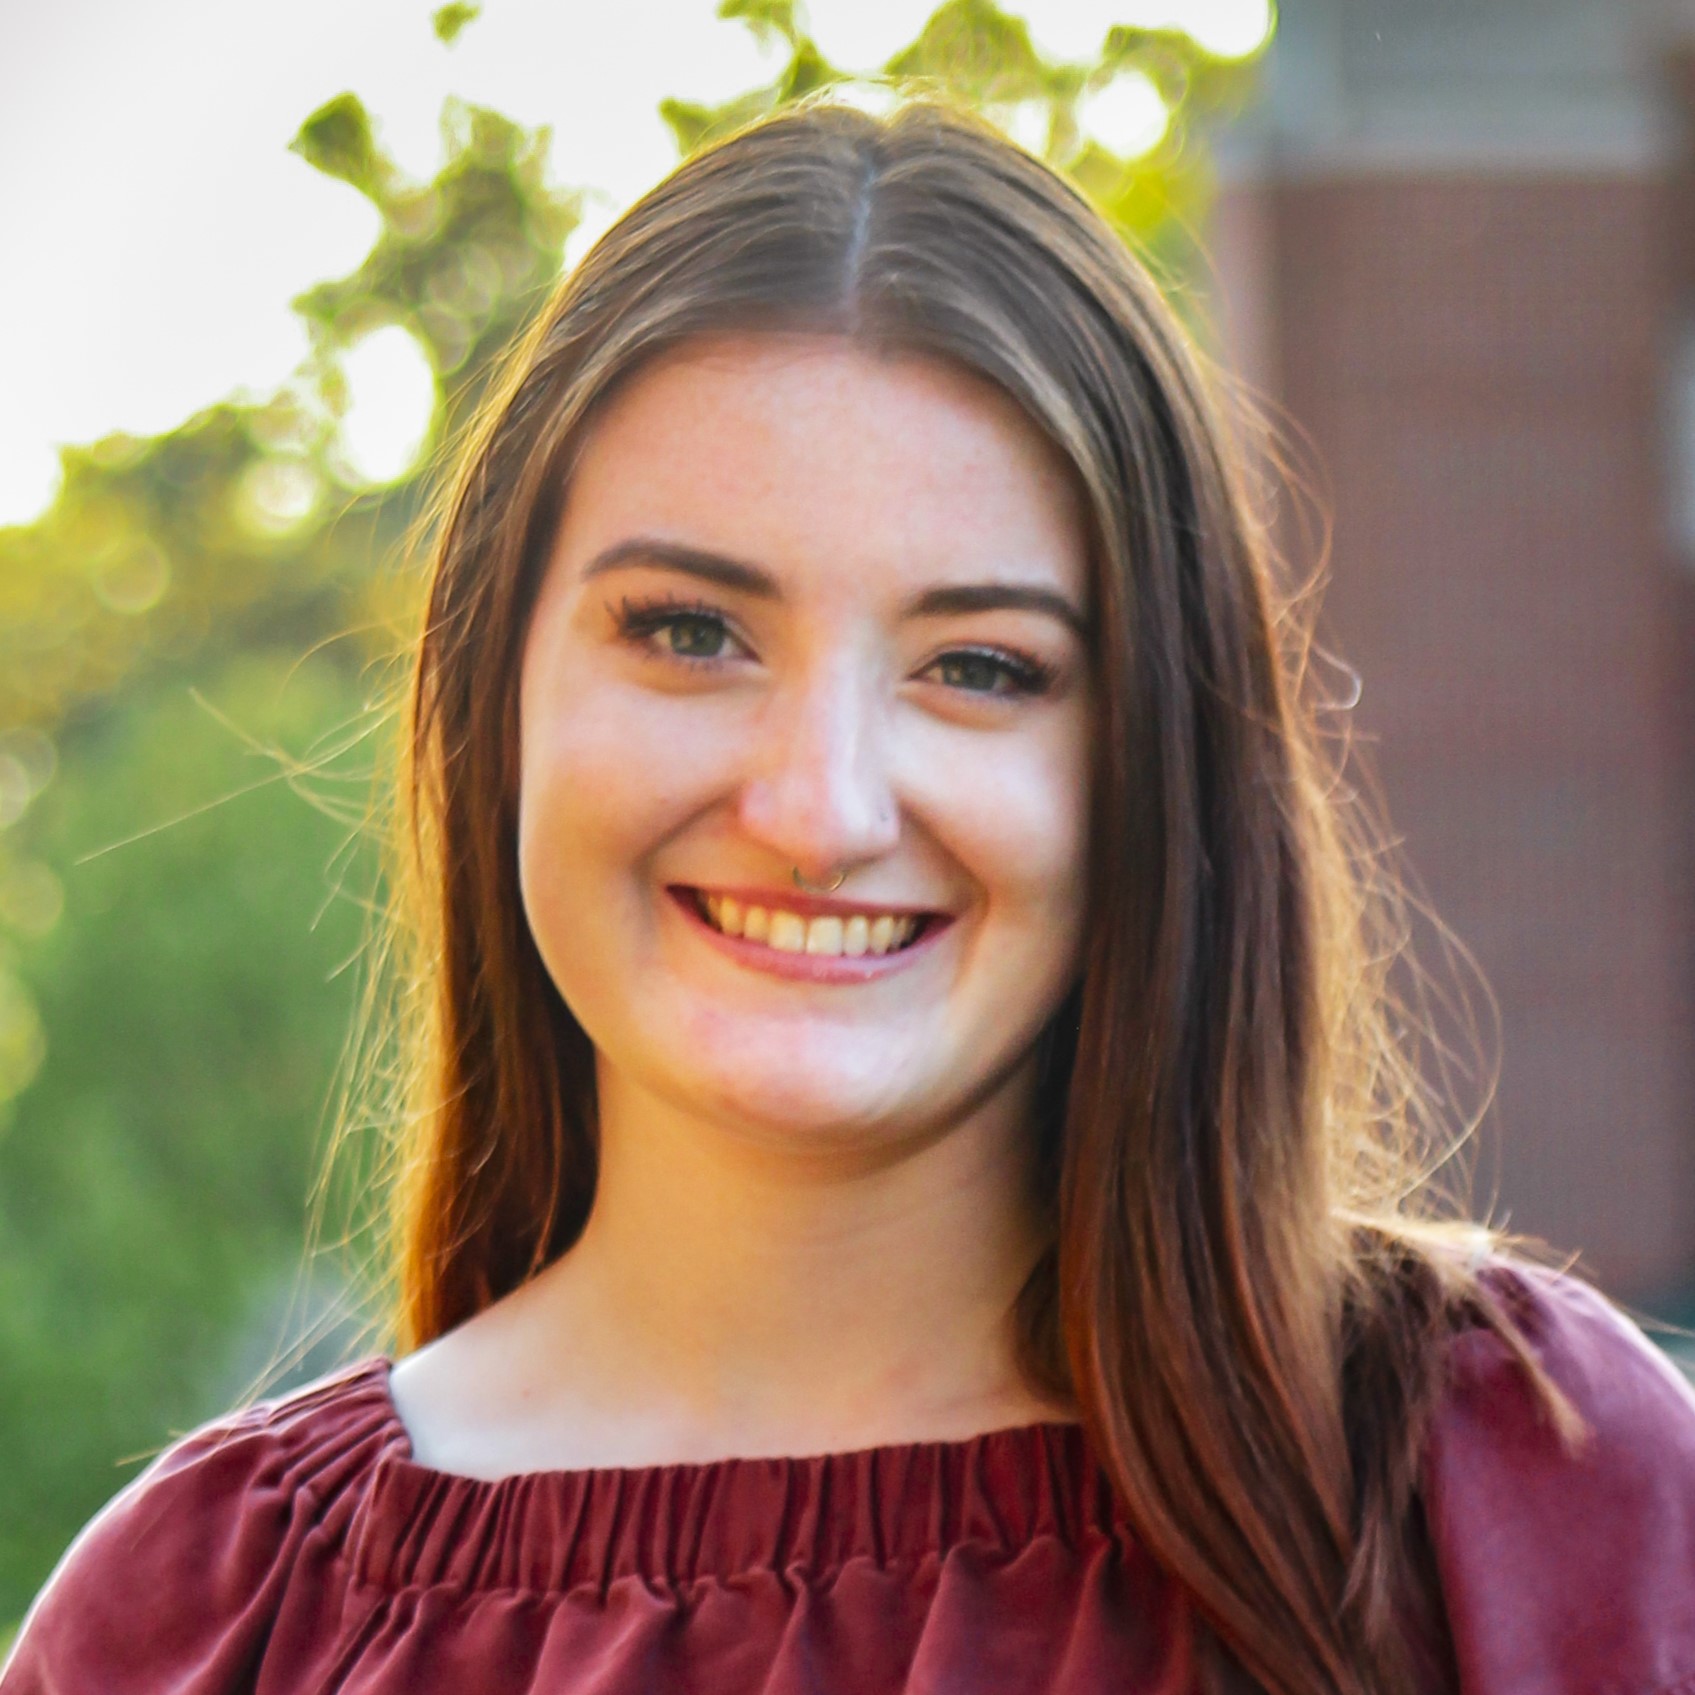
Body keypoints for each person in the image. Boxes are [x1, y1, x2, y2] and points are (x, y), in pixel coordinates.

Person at [4, 98, 1694, 1695]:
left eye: (979, 665)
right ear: (493, 688)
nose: (820, 804)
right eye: (689, 632)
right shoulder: (215, 1622)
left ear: (1156, 767)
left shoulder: (1514, 1490)